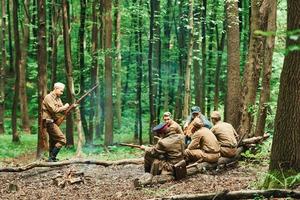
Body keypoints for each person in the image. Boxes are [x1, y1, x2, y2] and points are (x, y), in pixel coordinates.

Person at [42, 82, 70, 162]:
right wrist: (65, 107)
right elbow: (54, 110)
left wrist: (70, 107)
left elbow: (62, 110)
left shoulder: (58, 98)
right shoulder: (48, 97)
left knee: (53, 141)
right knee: (62, 139)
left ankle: (51, 158)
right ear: (56, 89)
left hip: (54, 121)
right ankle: (52, 157)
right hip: (48, 122)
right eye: (61, 91)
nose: (62, 92)